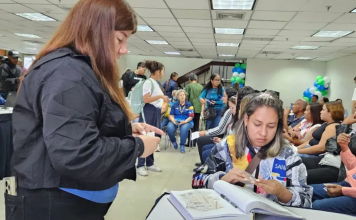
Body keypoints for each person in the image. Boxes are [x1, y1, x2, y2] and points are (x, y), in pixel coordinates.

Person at [7, 0, 164, 219]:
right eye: (120, 39)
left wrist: (126, 130)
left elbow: (77, 124)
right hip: (57, 204)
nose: (124, 49)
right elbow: (76, 153)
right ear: (95, 30)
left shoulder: (77, 70)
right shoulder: (68, 73)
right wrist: (137, 147)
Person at [193, 94, 312, 208]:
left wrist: (282, 193)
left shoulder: (288, 154)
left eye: (271, 126)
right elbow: (197, 181)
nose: (263, 133)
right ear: (246, 119)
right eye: (257, 124)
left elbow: (306, 201)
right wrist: (222, 179)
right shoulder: (227, 146)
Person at [311, 129, 356, 215]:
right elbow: (353, 166)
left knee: (317, 206)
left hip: (352, 193)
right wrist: (344, 147)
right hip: (348, 184)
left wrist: (343, 190)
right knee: (308, 191)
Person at [136, 60, 169, 176]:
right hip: (148, 111)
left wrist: (163, 101)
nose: (163, 74)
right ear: (158, 71)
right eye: (163, 71)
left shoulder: (155, 83)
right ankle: (140, 165)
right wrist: (161, 96)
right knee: (145, 137)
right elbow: (146, 99)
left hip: (155, 112)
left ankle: (150, 163)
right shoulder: (149, 82)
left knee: (153, 137)